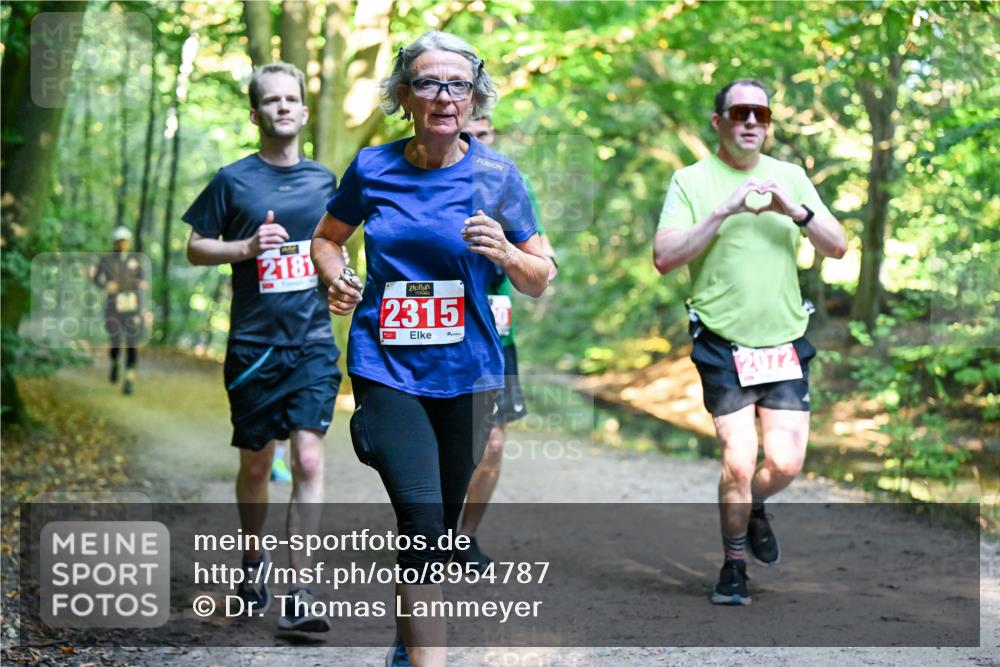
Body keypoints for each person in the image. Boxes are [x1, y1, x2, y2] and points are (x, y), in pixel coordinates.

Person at [311, 32, 550, 667]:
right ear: (403, 95)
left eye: (457, 85)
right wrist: (335, 276)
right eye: (427, 83)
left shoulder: (499, 177)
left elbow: (541, 274)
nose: (444, 97)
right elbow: (328, 238)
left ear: (474, 98)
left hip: (469, 372)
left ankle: (408, 640)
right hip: (385, 366)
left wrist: (505, 251)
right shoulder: (371, 167)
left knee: (437, 535)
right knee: (421, 523)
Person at [652, 79, 847, 606]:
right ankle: (734, 565)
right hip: (722, 340)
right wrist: (724, 210)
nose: (751, 123)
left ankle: (755, 505)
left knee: (784, 463)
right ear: (719, 122)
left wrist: (796, 210)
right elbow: (665, 258)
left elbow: (838, 247)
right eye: (740, 113)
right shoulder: (691, 181)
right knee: (738, 459)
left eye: (760, 114)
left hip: (783, 341)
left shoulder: (792, 177)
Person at [182, 62, 341, 632]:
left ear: (302, 109)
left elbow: (336, 247)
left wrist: (341, 279)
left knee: (307, 458)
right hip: (253, 345)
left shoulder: (328, 182)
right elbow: (195, 248)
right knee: (256, 465)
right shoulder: (232, 180)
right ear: (256, 114)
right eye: (270, 100)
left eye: (290, 99)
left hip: (313, 342)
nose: (281, 107)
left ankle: (299, 589)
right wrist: (246, 247)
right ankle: (253, 561)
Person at [454, 115, 558, 570]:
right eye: (468, 135)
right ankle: (429, 532)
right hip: (441, 334)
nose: (478, 142)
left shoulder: (510, 183)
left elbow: (544, 262)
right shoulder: (430, 180)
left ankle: (465, 538)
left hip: (496, 337)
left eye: (485, 133)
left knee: (492, 445)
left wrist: (517, 254)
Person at [91, 226, 147, 395]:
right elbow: (95, 278)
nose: (122, 244)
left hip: (131, 307)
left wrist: (139, 287)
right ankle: (114, 363)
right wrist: (106, 286)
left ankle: (129, 378)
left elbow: (142, 281)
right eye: (119, 241)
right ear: (116, 242)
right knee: (115, 341)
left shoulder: (136, 260)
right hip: (113, 307)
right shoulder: (106, 259)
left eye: (125, 241)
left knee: (132, 342)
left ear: (129, 242)